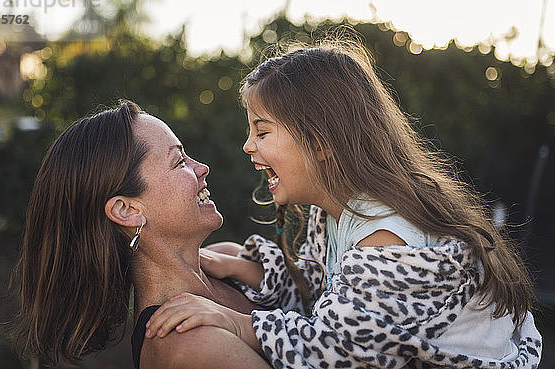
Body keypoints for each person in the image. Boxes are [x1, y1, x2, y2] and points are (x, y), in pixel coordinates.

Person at [145, 44, 543, 368]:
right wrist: (245, 268)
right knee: (233, 252)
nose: (248, 146)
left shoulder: (386, 237)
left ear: (320, 143)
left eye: (262, 131)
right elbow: (332, 293)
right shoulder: (337, 213)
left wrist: (236, 323)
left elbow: (337, 349)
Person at [9, 101, 272, 369]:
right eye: (179, 161)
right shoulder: (186, 343)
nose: (202, 167)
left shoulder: (229, 261)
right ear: (127, 210)